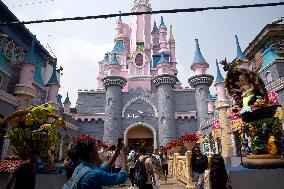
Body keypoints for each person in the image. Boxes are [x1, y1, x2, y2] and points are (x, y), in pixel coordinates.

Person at [62, 139, 128, 189]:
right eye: (96, 150)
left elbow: (103, 167)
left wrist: (116, 154)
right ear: (91, 154)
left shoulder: (80, 167)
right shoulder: (95, 174)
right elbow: (121, 178)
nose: (97, 152)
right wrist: (124, 156)